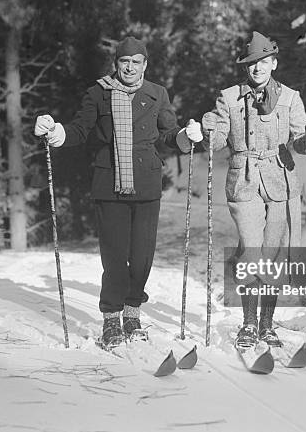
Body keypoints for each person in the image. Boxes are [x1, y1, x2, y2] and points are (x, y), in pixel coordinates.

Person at [34, 36, 202, 347]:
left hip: (146, 184)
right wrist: (56, 132)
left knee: (141, 259)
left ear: (145, 65)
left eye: (136, 62)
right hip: (109, 184)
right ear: (116, 64)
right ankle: (111, 319)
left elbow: (167, 134)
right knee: (114, 259)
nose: (130, 67)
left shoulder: (157, 94)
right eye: (124, 62)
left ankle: (132, 313)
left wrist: (184, 137)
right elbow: (80, 130)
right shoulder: (98, 93)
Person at [199, 31, 306, 348]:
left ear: (274, 64)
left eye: (263, 63)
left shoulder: (290, 98)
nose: (257, 69)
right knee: (252, 250)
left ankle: (267, 325)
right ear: (246, 67)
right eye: (252, 64)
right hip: (244, 183)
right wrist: (207, 130)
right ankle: (248, 324)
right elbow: (217, 139)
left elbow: (299, 141)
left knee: (273, 254)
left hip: (282, 180)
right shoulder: (228, 98)